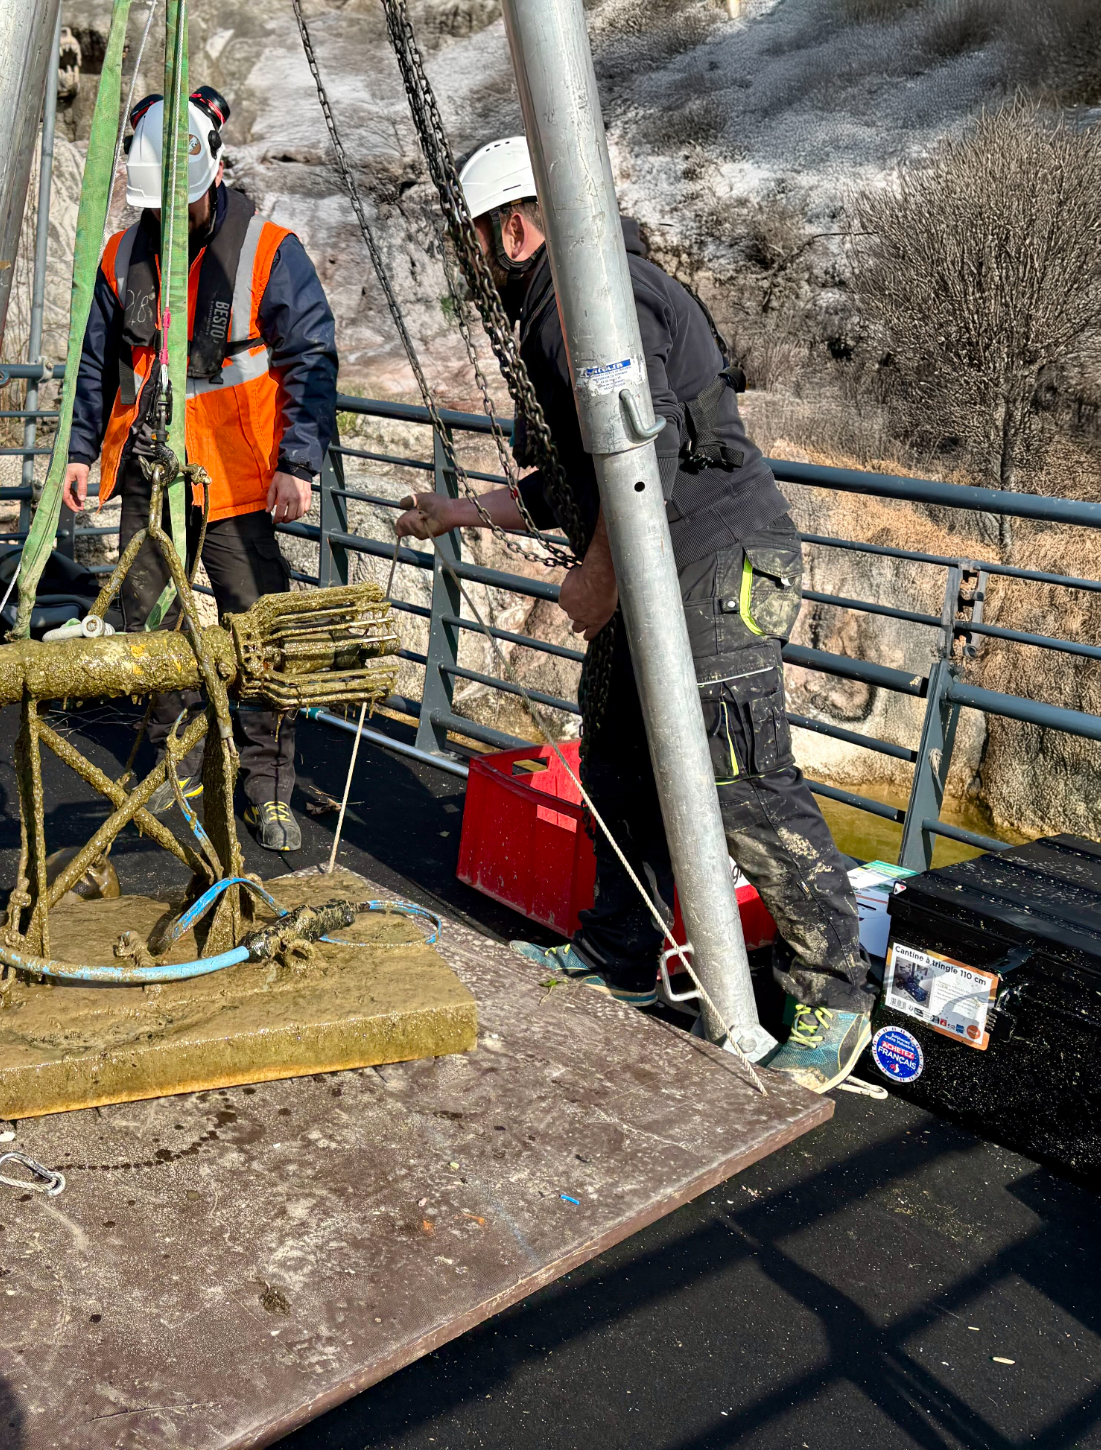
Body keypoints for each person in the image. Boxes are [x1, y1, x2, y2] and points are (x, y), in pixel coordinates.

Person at [395, 137, 874, 1093]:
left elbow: (637, 453)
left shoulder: (590, 303)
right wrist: (458, 510)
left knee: (741, 776)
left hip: (711, 560)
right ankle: (621, 951)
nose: (473, 264)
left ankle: (833, 993)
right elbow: (576, 480)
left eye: (476, 241)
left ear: (514, 229)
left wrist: (600, 581)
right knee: (617, 755)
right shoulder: (570, 301)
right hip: (660, 563)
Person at [63, 86, 338, 853]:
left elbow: (312, 358)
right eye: (158, 207)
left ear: (214, 173)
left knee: (261, 634)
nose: (169, 219)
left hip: (239, 485)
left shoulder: (267, 251)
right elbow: (94, 367)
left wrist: (297, 464)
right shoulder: (122, 256)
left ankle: (268, 789)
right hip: (152, 480)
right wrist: (80, 451)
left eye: (178, 204)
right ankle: (176, 770)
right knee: (153, 631)